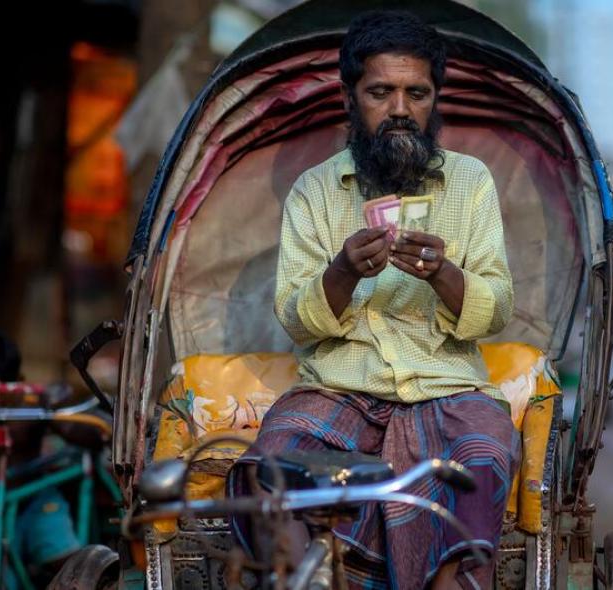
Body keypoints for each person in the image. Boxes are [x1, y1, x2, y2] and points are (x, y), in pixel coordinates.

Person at [247, 10, 517, 590]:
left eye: (416, 93)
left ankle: (452, 582)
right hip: (338, 389)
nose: (399, 109)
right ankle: (310, 577)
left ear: (434, 99)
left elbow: (495, 308)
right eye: (381, 92)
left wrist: (444, 273)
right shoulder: (315, 190)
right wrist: (341, 272)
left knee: (487, 455)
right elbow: (295, 318)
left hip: (447, 388)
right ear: (351, 98)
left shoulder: (471, 184)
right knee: (273, 457)